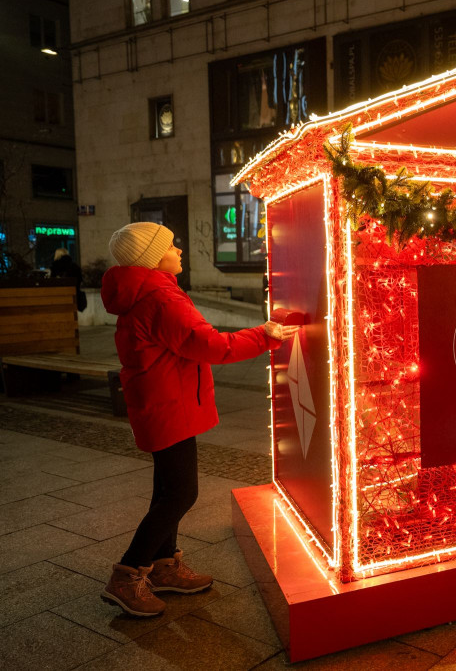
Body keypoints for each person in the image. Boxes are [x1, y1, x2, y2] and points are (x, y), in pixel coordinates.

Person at [100, 222, 297, 617]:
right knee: (180, 493)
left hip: (160, 401)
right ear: (151, 257)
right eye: (172, 245)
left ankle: (163, 567)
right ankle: (127, 575)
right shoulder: (159, 296)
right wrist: (264, 334)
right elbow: (208, 344)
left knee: (166, 489)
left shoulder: (143, 291)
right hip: (169, 403)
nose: (179, 250)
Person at [50, 248, 86, 312]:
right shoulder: (74, 266)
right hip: (73, 296)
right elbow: (80, 280)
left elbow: (52, 281)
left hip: (59, 296)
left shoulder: (55, 265)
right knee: (72, 315)